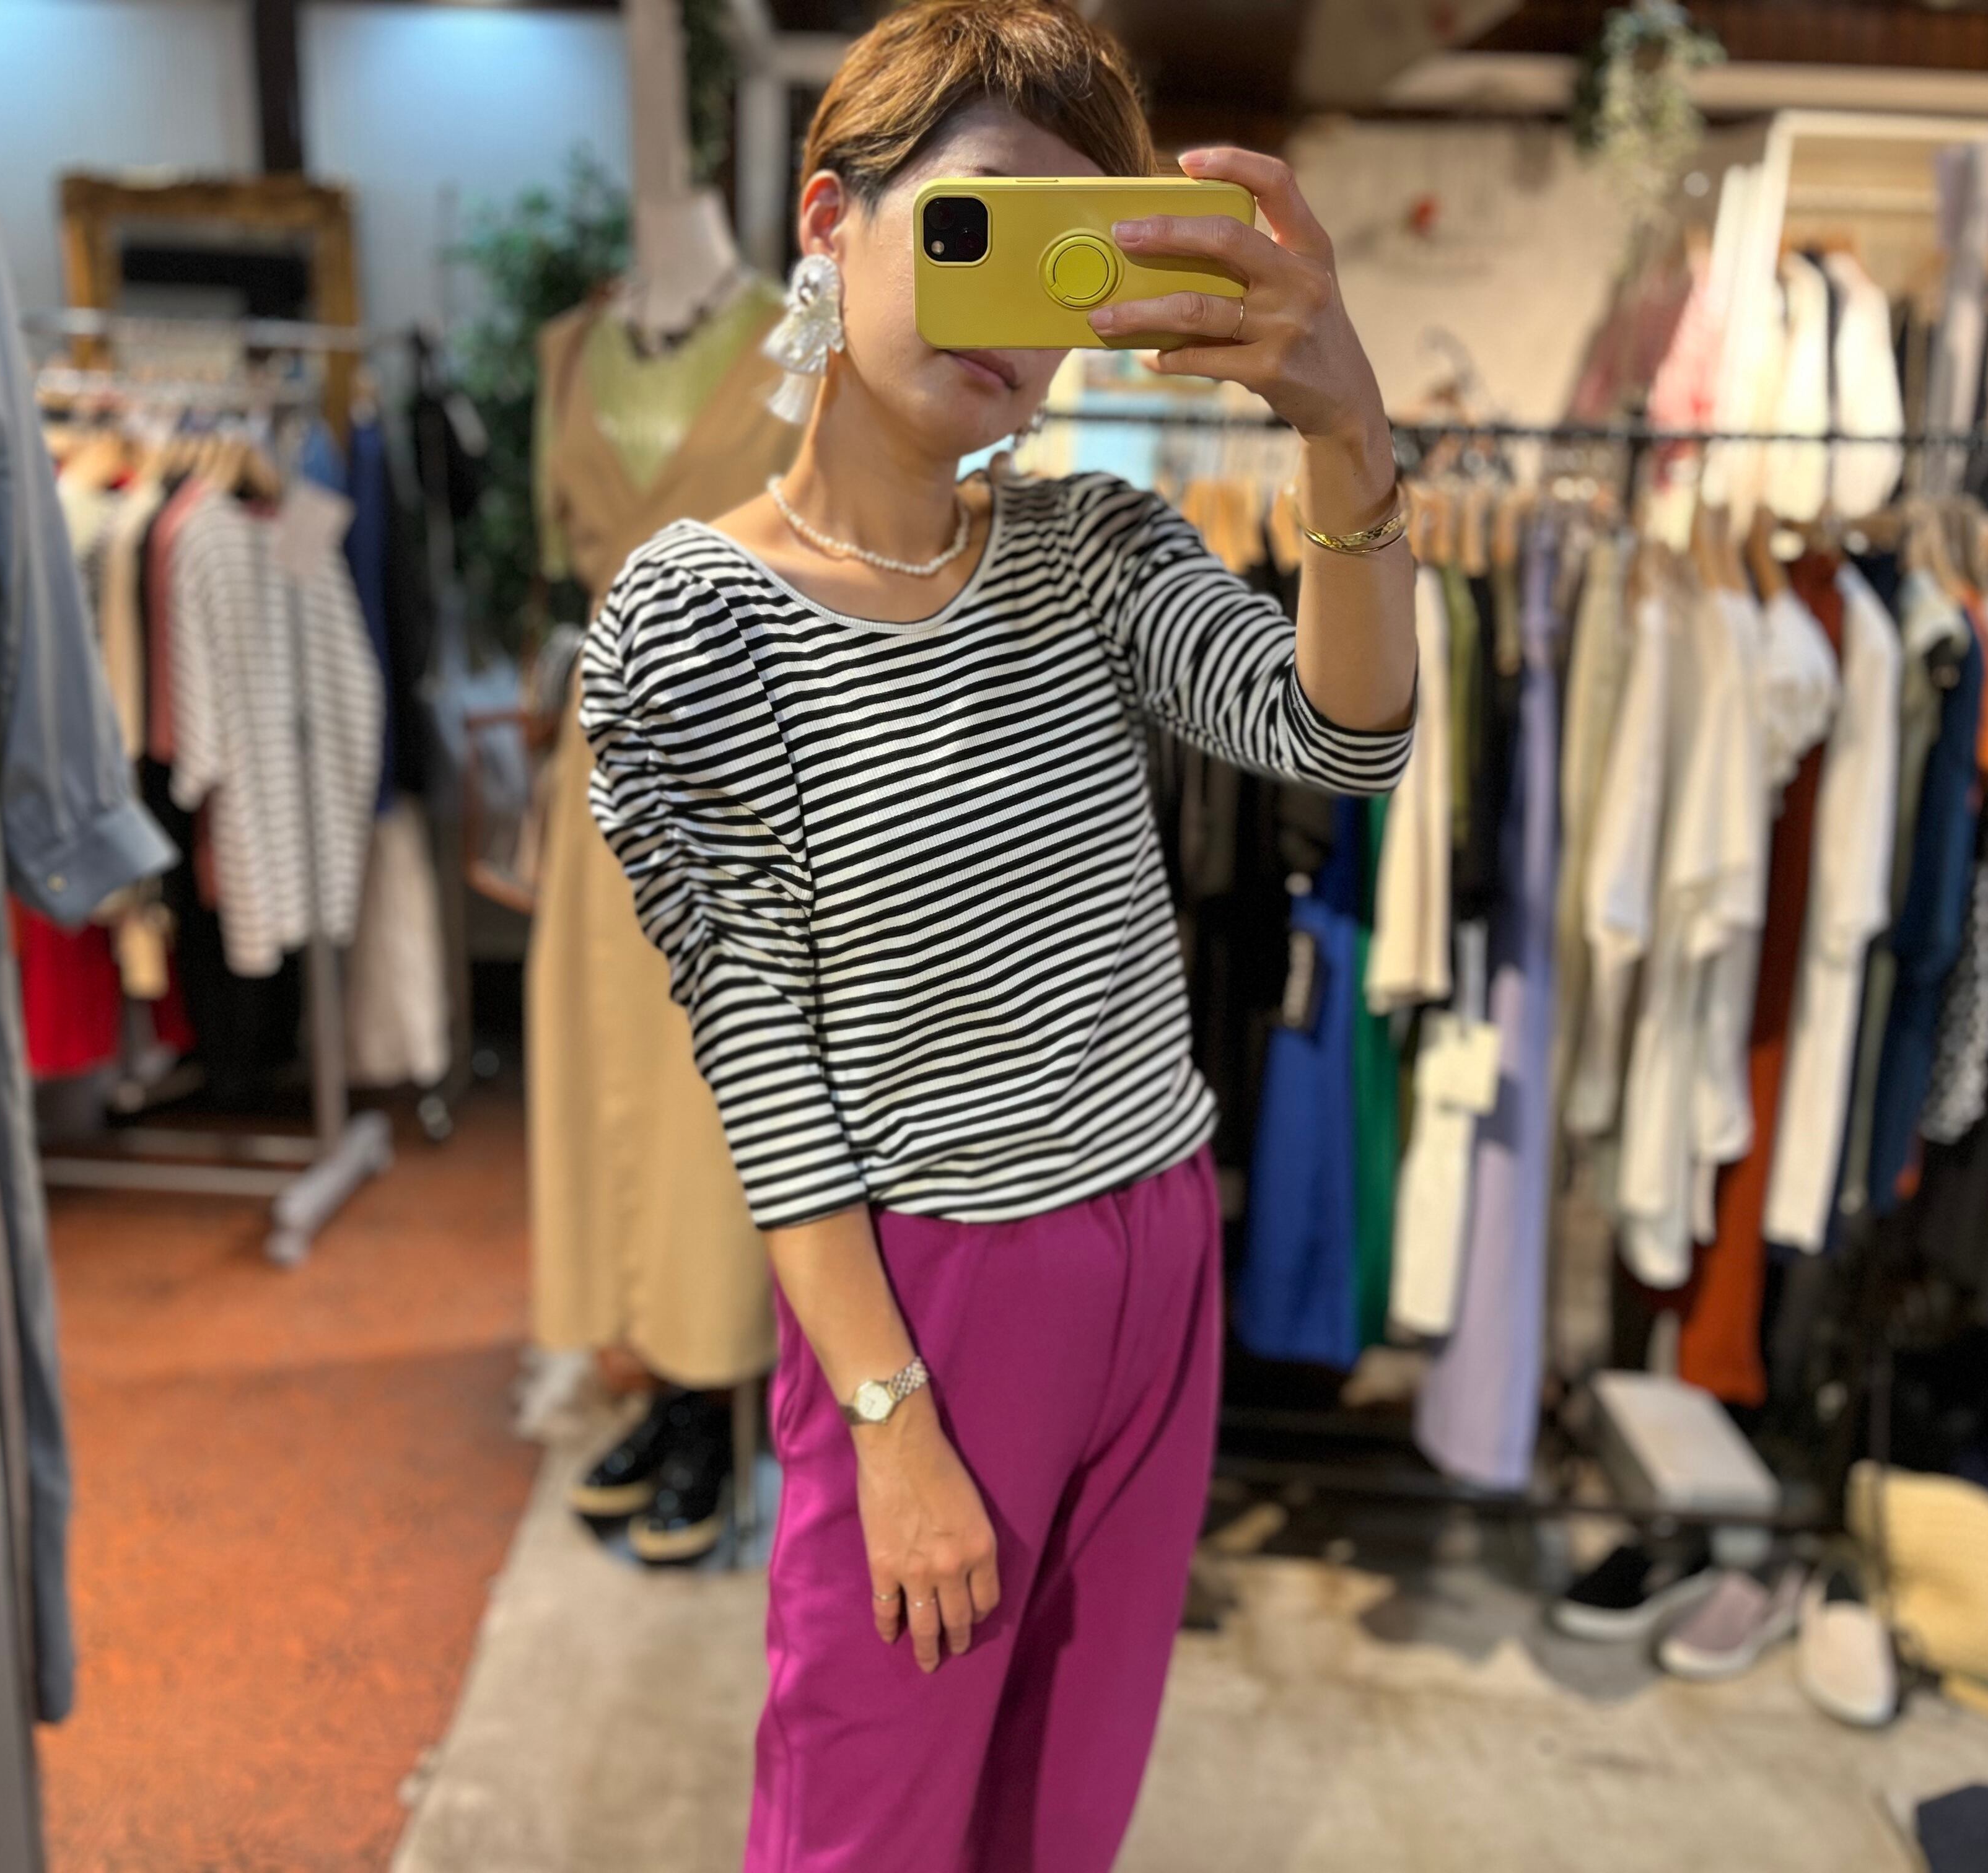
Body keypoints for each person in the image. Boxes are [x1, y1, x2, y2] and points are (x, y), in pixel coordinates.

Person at [580, 1, 1417, 1864]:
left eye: (1063, 259)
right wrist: (889, 1420)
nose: (1012, 315)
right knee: (866, 1815)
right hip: (935, 1288)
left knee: (1063, 1812)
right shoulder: (694, 616)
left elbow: (1345, 740)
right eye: (973, 229)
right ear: (832, 219)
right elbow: (761, 1059)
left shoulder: (1097, 548)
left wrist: (1347, 433)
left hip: (1161, 1245)